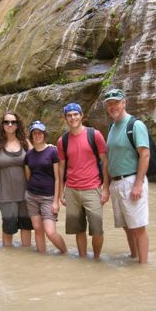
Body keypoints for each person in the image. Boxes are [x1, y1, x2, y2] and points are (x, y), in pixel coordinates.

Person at [57, 103, 110, 259]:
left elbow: (105, 162)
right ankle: (82, 259)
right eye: (69, 115)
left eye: (75, 114)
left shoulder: (95, 135)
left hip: (92, 188)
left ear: (81, 116)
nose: (73, 118)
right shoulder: (63, 141)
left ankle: (96, 259)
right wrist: (61, 192)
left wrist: (105, 187)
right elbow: (61, 168)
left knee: (97, 229)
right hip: (72, 190)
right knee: (78, 229)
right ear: (65, 118)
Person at [104, 88, 150, 263]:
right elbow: (109, 159)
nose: (112, 106)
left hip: (131, 181)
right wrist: (106, 186)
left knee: (138, 227)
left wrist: (138, 184)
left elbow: (145, 155)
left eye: (116, 102)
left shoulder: (135, 125)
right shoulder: (112, 127)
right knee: (126, 227)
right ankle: (134, 257)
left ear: (124, 102)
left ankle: (143, 267)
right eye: (109, 103)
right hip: (116, 183)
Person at [24, 120, 67, 254]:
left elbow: (57, 178)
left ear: (44, 134)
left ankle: (65, 253)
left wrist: (56, 200)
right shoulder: (28, 155)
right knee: (37, 228)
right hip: (31, 196)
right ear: (31, 136)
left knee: (50, 231)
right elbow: (28, 176)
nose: (37, 135)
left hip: (48, 198)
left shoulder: (52, 152)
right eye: (34, 133)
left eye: (40, 132)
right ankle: (41, 257)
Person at [0, 111, 33, 247]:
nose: (10, 124)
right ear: (2, 125)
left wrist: (50, 148)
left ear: (17, 125)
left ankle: (26, 259)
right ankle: (8, 261)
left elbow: (37, 157)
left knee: (26, 227)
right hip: (6, 195)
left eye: (13, 122)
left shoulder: (25, 143)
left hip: (25, 194)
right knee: (8, 228)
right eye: (6, 122)